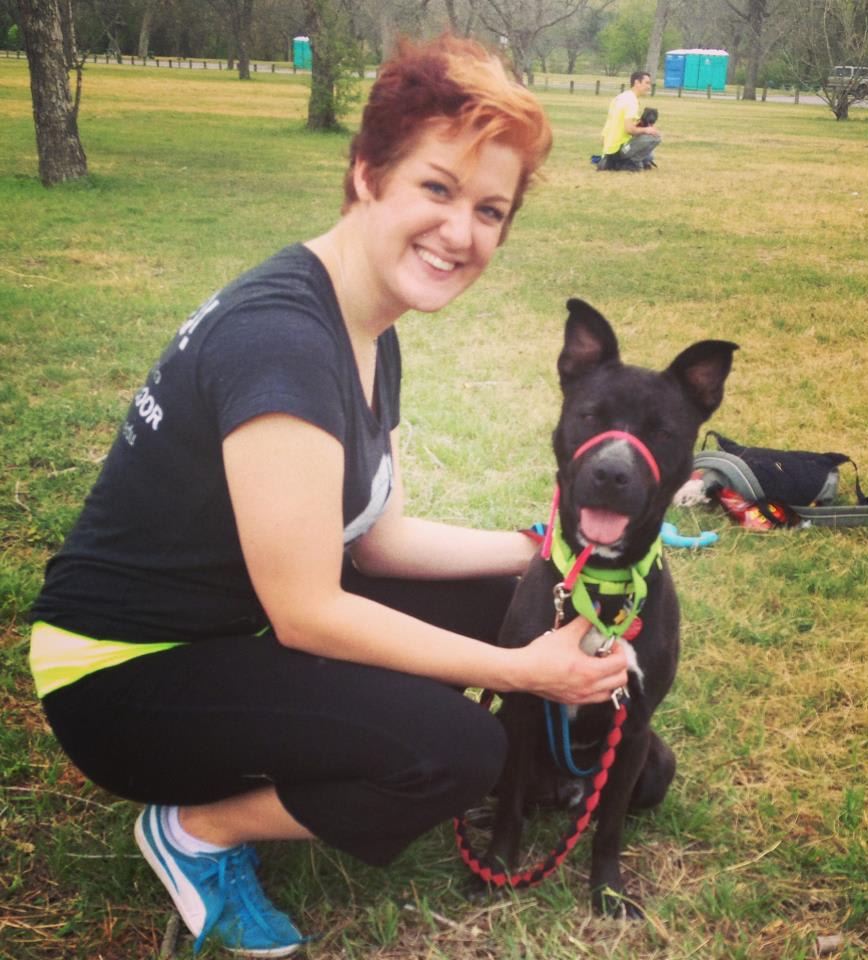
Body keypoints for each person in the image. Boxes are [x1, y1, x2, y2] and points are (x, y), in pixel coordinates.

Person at [28, 33, 629, 958]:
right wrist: (523, 672)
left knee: (501, 600)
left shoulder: (367, 325)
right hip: (122, 680)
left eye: (490, 209)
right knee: (464, 751)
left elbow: (375, 540)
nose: (462, 233)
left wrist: (540, 547)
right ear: (365, 174)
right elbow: (309, 611)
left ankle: (283, 751)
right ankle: (198, 831)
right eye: (436, 187)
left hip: (233, 634)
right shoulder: (286, 340)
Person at [598, 70, 662, 172]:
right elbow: (629, 129)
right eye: (647, 83)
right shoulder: (631, 101)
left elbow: (610, 124)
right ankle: (631, 162)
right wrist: (647, 130)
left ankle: (610, 160)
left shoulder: (620, 97)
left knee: (649, 157)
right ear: (637, 83)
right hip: (619, 149)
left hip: (608, 148)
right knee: (656, 137)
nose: (649, 87)